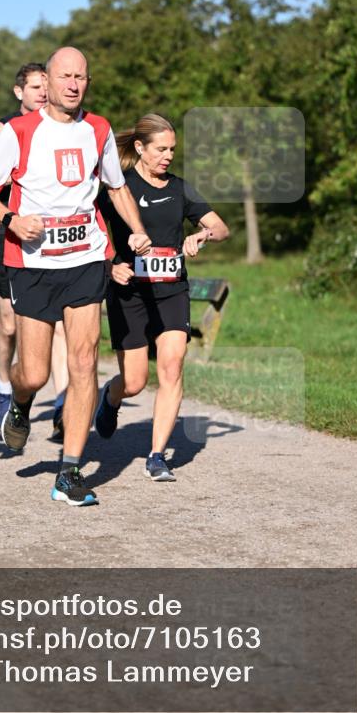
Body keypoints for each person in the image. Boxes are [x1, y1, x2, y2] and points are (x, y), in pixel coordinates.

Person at [0, 47, 150, 507]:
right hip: (32, 262)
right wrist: (10, 218)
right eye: (65, 76)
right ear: (45, 82)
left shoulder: (100, 129)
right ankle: (21, 402)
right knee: (34, 370)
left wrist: (138, 230)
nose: (73, 84)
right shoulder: (18, 131)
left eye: (81, 77)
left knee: (84, 361)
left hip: (87, 257)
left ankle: (69, 471)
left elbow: (116, 185)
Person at [96, 113, 229, 480]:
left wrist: (200, 235)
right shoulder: (118, 188)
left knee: (172, 365)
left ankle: (156, 456)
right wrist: (110, 266)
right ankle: (110, 397)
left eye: (172, 149)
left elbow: (220, 227)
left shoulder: (180, 188)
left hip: (172, 289)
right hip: (129, 291)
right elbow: (91, 231)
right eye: (160, 149)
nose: (168, 156)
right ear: (139, 148)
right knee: (135, 381)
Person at [0, 64, 69, 430]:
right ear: (18, 91)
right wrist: (10, 212)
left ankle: (63, 406)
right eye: (35, 86)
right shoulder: (3, 130)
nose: (42, 92)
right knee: (9, 326)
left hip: (56, 240)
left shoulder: (60, 128)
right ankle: (5, 384)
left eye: (45, 85)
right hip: (12, 238)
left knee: (56, 323)